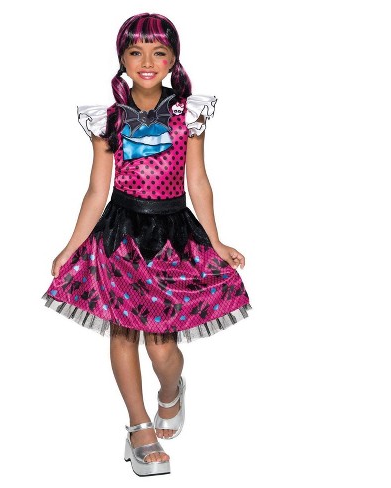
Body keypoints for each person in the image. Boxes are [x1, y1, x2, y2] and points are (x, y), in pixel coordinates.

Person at [41, 12, 252, 477]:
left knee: (161, 348)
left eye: (159, 52)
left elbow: (198, 180)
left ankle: (171, 392)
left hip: (170, 235)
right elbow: (97, 190)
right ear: (122, 59)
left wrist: (216, 240)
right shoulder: (108, 120)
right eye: (136, 52)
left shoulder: (188, 114)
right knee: (122, 332)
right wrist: (70, 246)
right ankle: (139, 427)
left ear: (174, 59)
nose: (147, 62)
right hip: (119, 235)